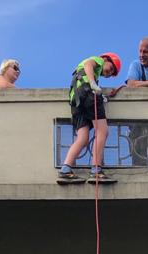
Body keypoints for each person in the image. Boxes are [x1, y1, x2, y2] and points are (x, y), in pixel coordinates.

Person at [58, 53, 122, 185]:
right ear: (105, 59)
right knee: (102, 131)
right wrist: (93, 83)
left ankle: (65, 169)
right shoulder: (98, 60)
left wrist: (100, 92)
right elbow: (88, 64)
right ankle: (96, 170)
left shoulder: (84, 76)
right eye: (110, 68)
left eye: (111, 73)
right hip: (88, 95)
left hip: (77, 102)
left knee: (83, 138)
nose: (109, 73)